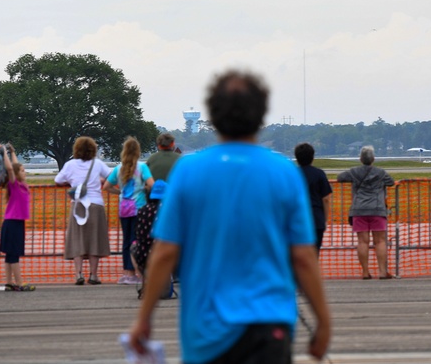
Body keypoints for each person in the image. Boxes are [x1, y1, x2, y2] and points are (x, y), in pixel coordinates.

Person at [128, 69, 331, 363]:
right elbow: (302, 256)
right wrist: (323, 321)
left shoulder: (189, 170)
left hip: (206, 328)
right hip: (269, 321)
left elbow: (165, 251)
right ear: (261, 114)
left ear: (212, 114)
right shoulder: (284, 172)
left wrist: (144, 317)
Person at [54, 136, 112, 285]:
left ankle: (78, 274)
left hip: (78, 204)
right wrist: (100, 181)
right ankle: (93, 275)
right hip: (96, 205)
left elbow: (58, 180)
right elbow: (112, 176)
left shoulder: (70, 164)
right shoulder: (97, 164)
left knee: (77, 239)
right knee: (94, 240)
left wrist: (72, 183)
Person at [337, 145, 395, 279]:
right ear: (373, 159)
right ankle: (382, 271)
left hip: (359, 209)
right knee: (380, 241)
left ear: (360, 159)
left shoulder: (354, 172)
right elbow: (390, 182)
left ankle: (365, 272)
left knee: (362, 242)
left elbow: (340, 177)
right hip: (377, 209)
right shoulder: (380, 173)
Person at [105, 136, 155, 285]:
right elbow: (151, 184)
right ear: (138, 151)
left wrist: (119, 193)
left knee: (126, 241)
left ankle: (127, 273)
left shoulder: (118, 169)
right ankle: (138, 271)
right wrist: (144, 188)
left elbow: (106, 186)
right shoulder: (142, 167)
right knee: (137, 240)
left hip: (124, 209)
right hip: (138, 207)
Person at [0, 144, 35, 291]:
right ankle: (19, 283)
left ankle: (9, 282)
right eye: (22, 170)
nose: (24, 172)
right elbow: (10, 168)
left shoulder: (21, 185)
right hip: (12, 222)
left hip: (16, 222)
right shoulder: (13, 184)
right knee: (13, 254)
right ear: (17, 173)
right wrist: (4, 153)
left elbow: (14, 165)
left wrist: (13, 152)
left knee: (10, 255)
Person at [294, 143, 333, 254]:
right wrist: (324, 219)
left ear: (297, 157)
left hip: (297, 218)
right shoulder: (319, 174)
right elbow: (325, 199)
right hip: (316, 218)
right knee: (314, 253)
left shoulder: (292, 173)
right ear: (312, 156)